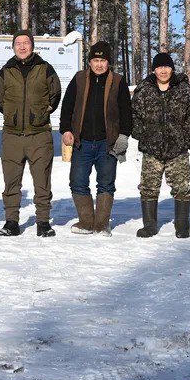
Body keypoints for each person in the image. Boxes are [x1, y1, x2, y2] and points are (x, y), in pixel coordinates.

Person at [0, 29, 61, 237]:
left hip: (39, 134)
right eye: (18, 43)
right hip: (12, 135)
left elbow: (55, 95)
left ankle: (43, 222)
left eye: (26, 43)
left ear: (32, 45)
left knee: (42, 181)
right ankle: (11, 222)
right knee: (11, 181)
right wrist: (13, 116)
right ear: (13, 46)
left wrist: (40, 114)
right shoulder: (6, 70)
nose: (22, 47)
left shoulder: (45, 68)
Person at [59, 40, 131, 236]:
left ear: (109, 63)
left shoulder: (118, 81)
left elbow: (126, 111)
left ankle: (101, 225)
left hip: (107, 143)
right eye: (95, 60)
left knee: (106, 184)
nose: (99, 64)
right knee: (77, 181)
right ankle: (86, 222)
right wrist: (66, 129)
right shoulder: (79, 79)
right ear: (89, 62)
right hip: (82, 142)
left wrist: (124, 135)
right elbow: (67, 106)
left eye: (103, 60)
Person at [131, 51, 190, 239]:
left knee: (181, 187)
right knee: (148, 187)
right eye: (159, 67)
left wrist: (186, 133)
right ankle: (150, 226)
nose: (163, 70)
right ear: (154, 70)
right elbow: (133, 116)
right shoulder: (144, 90)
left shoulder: (185, 89)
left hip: (177, 149)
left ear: (172, 68)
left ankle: (182, 225)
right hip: (151, 149)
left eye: (167, 67)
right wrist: (142, 134)